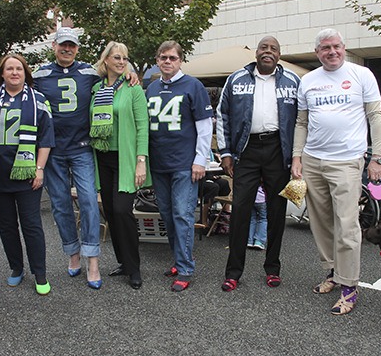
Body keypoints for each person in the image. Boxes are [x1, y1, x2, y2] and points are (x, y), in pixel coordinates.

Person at [33, 27, 138, 290]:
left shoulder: (89, 73)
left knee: (90, 202)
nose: (67, 49)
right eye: (63, 45)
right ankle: (73, 252)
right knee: (60, 205)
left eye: (72, 45)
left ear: (78, 48)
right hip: (54, 150)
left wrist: (131, 71)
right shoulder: (40, 74)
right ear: (54, 46)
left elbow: (114, 70)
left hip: (82, 148)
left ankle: (93, 259)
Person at [291, 28, 381, 315]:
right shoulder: (308, 80)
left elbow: (375, 116)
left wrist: (377, 157)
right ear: (317, 52)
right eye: (325, 48)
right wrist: (297, 157)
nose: (331, 52)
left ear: (344, 47)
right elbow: (301, 123)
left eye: (336, 47)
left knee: (347, 226)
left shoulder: (361, 75)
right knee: (320, 224)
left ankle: (349, 287)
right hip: (313, 160)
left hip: (347, 162)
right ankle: (332, 272)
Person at [217, 36, 299, 292]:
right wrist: (225, 152)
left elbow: (303, 119)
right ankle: (233, 273)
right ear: (256, 52)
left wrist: (298, 155)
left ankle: (272, 269)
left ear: (279, 54)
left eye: (273, 48)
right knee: (240, 211)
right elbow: (223, 114)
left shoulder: (293, 81)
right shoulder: (236, 79)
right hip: (246, 150)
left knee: (276, 212)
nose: (268, 51)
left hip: (279, 150)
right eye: (264, 47)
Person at [146, 41, 213, 292]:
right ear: (157, 59)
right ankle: (178, 259)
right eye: (163, 57)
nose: (167, 61)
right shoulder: (151, 88)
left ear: (180, 60)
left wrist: (200, 160)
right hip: (159, 163)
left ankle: (185, 268)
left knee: (182, 215)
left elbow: (205, 127)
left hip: (185, 164)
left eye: (172, 58)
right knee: (167, 214)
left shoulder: (193, 86)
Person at [0, 54, 55, 295]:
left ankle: (40, 273)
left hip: (28, 175)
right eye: (9, 69)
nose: (14, 72)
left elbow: (46, 138)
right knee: (7, 226)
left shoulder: (38, 100)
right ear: (3, 73)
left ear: (25, 73)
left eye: (19, 68)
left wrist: (39, 169)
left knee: (31, 226)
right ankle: (16, 268)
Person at [90, 41, 150, 290]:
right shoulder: (95, 89)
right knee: (111, 212)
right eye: (117, 57)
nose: (122, 62)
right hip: (102, 157)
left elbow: (142, 125)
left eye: (125, 58)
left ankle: (134, 268)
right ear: (106, 61)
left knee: (123, 211)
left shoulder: (133, 88)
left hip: (125, 159)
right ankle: (123, 262)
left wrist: (141, 161)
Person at [247, 184, 267, 250]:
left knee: (252, 219)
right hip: (262, 200)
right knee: (263, 219)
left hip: (251, 199)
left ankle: (250, 241)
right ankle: (259, 241)